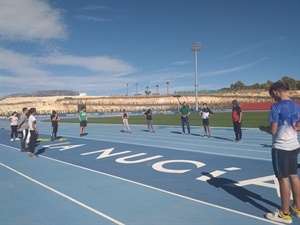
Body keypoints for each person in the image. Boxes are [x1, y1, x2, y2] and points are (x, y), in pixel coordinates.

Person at [259, 82, 300, 223]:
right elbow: (298, 127)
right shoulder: (296, 105)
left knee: (283, 179)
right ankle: (297, 207)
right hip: (294, 145)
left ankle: (285, 213)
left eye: (272, 95)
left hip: (281, 148)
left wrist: (264, 128)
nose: (273, 99)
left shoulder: (276, 107)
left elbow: (273, 130)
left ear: (275, 92)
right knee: (294, 176)